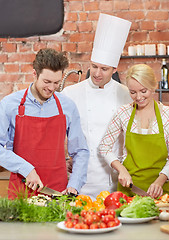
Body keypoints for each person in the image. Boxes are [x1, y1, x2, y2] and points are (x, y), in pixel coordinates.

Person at [0, 48, 89, 199]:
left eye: (56, 83)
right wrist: (26, 169)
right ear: (34, 74)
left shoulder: (67, 106)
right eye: (47, 82)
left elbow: (81, 151)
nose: (51, 88)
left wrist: (74, 185)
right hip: (21, 192)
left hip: (57, 192)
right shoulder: (10, 104)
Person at [62, 13, 132, 200]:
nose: (97, 73)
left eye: (104, 69)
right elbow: (60, 132)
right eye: (94, 66)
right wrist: (64, 157)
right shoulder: (70, 93)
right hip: (80, 178)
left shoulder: (126, 93)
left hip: (113, 177)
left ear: (114, 70)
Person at [99, 64, 169, 198]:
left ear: (153, 86)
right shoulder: (123, 113)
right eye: (132, 92)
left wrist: (160, 181)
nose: (138, 97)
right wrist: (121, 169)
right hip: (129, 190)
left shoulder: (167, 115)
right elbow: (104, 147)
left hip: (162, 192)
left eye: (143, 91)